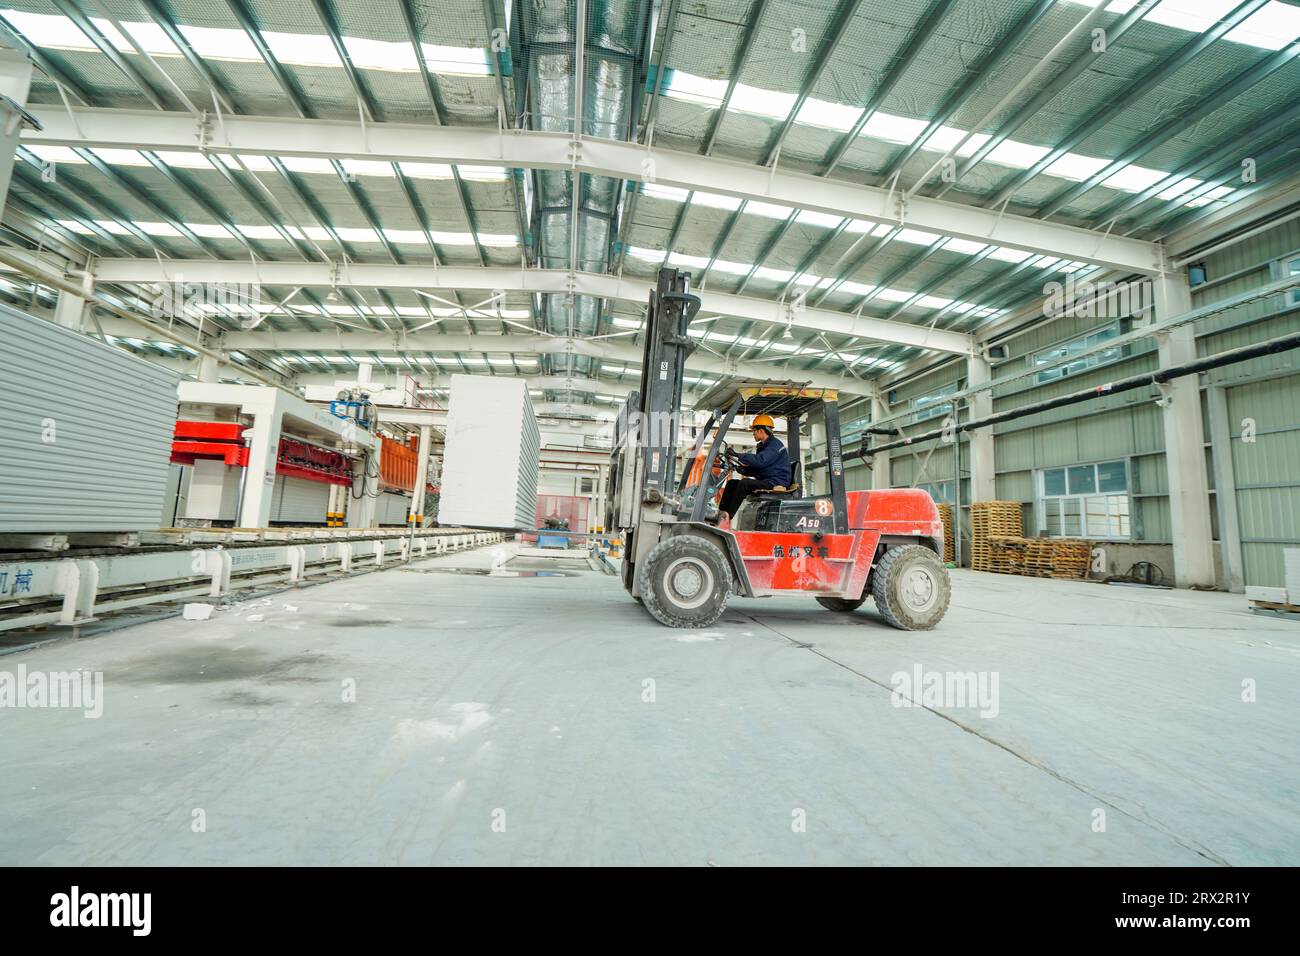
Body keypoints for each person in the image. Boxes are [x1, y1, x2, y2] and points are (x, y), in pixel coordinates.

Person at [718, 414, 792, 519]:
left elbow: (760, 461)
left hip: (777, 481)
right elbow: (758, 469)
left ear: (761, 431)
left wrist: (738, 455)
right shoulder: (764, 446)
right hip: (769, 479)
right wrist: (738, 468)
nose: (753, 434)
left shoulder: (775, 445)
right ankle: (721, 514)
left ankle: (728, 517)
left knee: (745, 483)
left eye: (754, 431)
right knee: (731, 483)